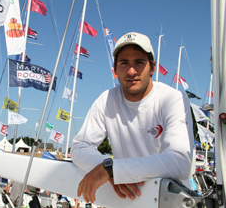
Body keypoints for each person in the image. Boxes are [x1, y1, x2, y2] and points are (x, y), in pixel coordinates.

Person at [70, 32, 193, 203]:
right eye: (124, 63)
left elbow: (180, 163)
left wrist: (113, 170)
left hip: (170, 202)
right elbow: (79, 147)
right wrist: (109, 168)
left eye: (139, 62)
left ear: (152, 67)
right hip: (129, 201)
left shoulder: (172, 98)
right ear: (115, 70)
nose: (131, 71)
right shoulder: (106, 100)